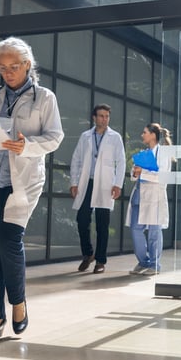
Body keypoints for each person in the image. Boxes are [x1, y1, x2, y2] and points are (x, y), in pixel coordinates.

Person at [0, 37, 64, 343]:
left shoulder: (44, 98)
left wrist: (26, 145)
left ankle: (18, 302)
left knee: (8, 239)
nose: (7, 73)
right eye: (2, 67)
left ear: (27, 65)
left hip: (22, 182)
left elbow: (55, 137)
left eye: (13, 67)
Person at [69, 104, 126, 274]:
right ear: (94, 118)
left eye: (107, 116)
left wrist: (118, 184)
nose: (104, 119)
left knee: (102, 223)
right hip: (87, 182)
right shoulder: (85, 136)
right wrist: (74, 182)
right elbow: (76, 159)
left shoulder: (115, 137)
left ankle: (100, 261)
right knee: (82, 219)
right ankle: (88, 254)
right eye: (101, 116)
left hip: (105, 184)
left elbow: (121, 162)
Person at [128, 123, 174, 276]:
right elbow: (134, 174)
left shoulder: (164, 154)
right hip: (139, 195)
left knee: (154, 231)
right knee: (135, 229)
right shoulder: (144, 153)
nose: (142, 135)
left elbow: (163, 176)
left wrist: (143, 171)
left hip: (155, 196)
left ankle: (154, 265)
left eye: (145, 132)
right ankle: (143, 262)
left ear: (153, 135)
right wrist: (135, 172)